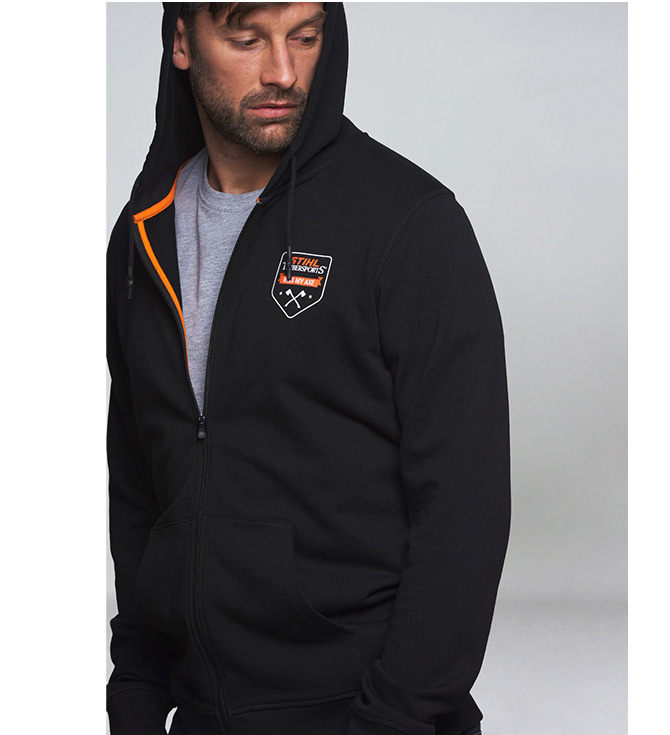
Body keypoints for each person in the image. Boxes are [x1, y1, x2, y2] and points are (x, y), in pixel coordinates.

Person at [106, 3, 510, 735]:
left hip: (368, 711)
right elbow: (139, 476)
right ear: (182, 41)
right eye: (246, 38)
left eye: (305, 36)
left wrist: (395, 718)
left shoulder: (409, 221)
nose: (283, 72)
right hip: (201, 710)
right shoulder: (144, 234)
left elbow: (465, 507)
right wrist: (135, 690)